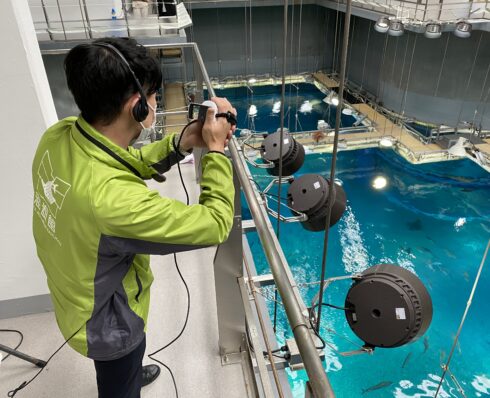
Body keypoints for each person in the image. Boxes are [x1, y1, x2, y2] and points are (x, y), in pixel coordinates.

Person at [32, 37, 236, 398]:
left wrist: (181, 143)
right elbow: (215, 224)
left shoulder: (59, 135)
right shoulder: (113, 203)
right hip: (107, 325)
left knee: (121, 370)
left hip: (74, 289)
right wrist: (217, 152)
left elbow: (118, 164)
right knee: (119, 378)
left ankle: (126, 374)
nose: (157, 102)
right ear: (136, 106)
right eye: (154, 95)